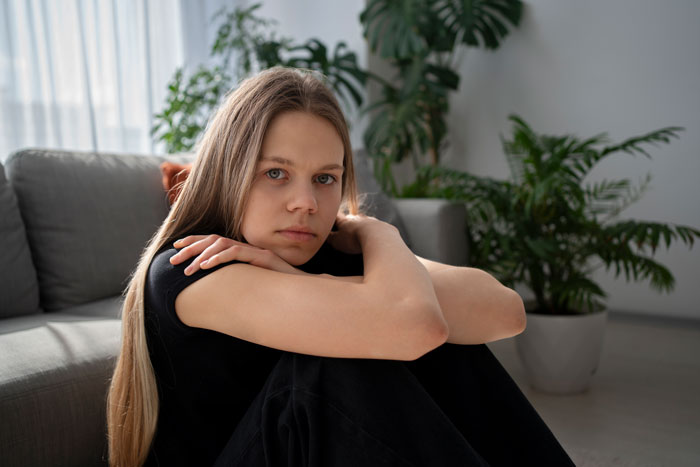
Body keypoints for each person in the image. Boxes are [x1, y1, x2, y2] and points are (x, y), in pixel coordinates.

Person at [107, 66, 574, 466]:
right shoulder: (192, 267)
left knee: (440, 336)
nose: (306, 203)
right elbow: (414, 324)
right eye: (276, 173)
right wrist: (376, 250)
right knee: (330, 369)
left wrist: (370, 231)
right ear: (229, 170)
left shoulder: (322, 248)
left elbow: (505, 311)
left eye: (326, 178)